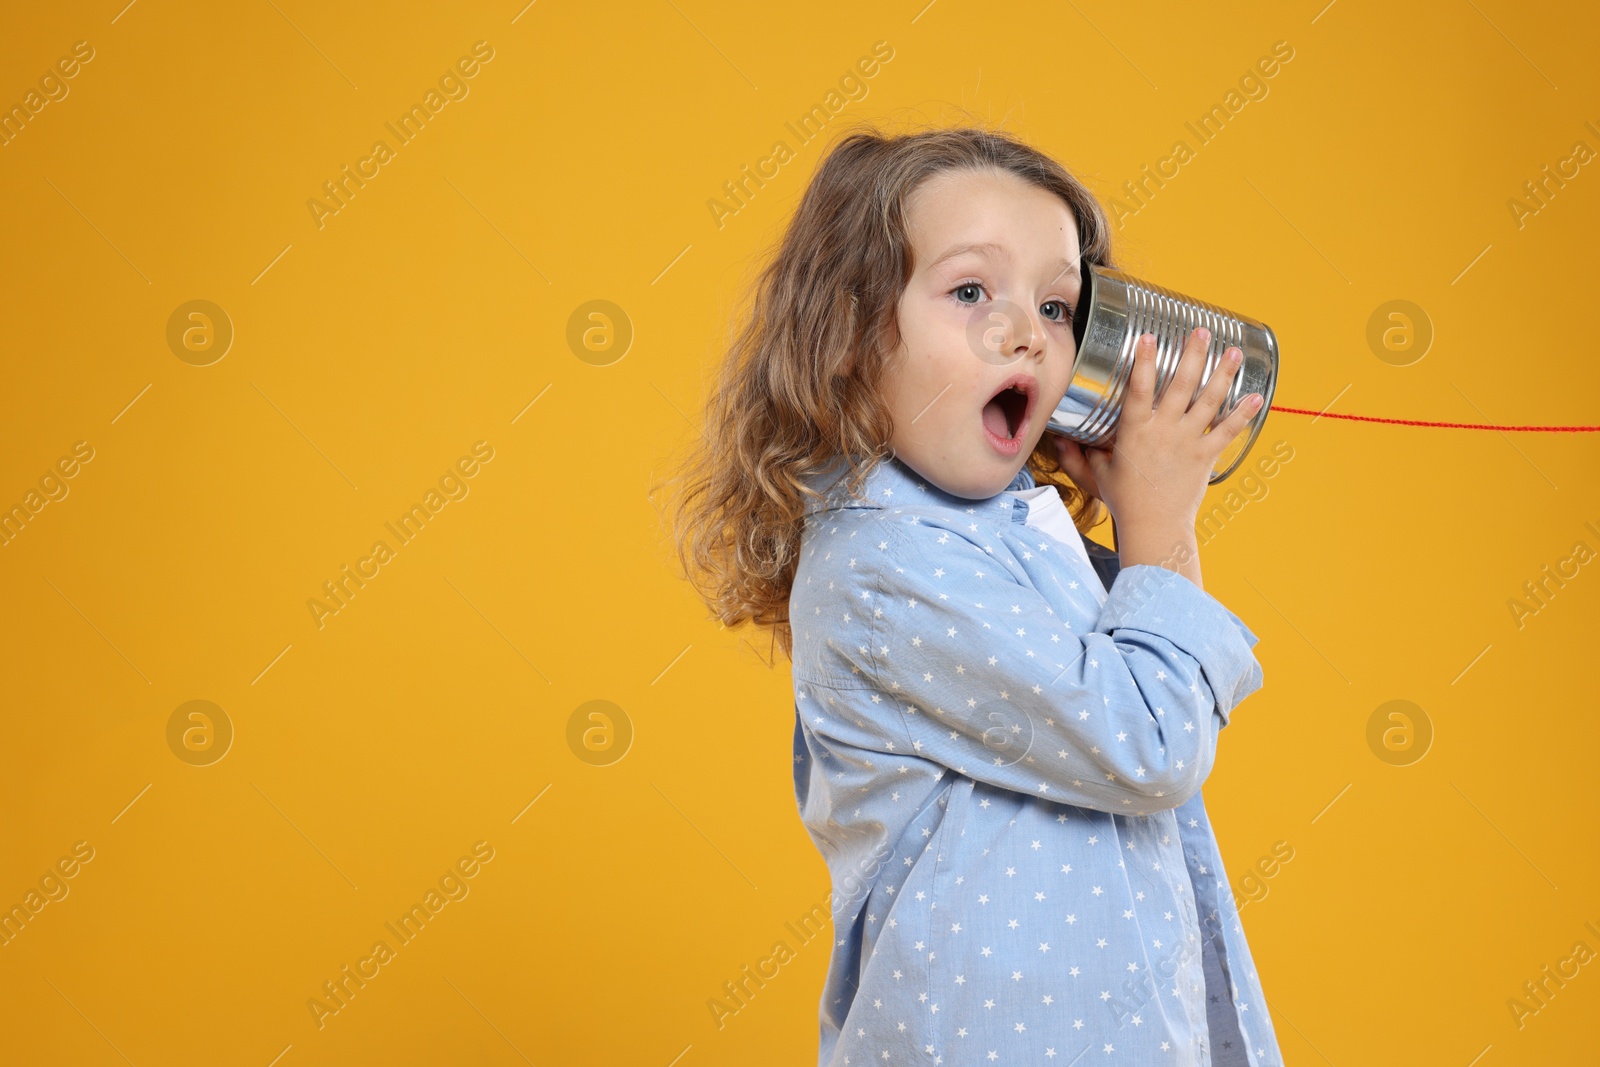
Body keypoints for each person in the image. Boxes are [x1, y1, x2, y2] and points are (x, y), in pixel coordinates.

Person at [662, 123, 1280, 1066]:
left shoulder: (1015, 539)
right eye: (969, 290)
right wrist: (1159, 523)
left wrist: (1143, 505)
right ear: (852, 338)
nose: (1026, 330)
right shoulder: (882, 565)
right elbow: (1149, 737)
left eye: (1060, 305)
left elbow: (1152, 682)